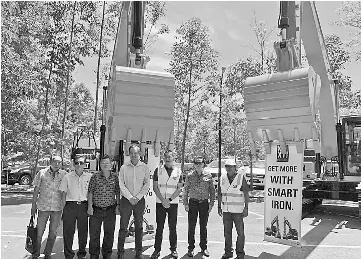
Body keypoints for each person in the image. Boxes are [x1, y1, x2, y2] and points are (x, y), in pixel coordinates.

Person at [31, 154, 67, 259]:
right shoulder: (42, 173)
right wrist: (33, 206)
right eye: (55, 161)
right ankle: (36, 253)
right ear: (50, 162)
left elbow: (66, 191)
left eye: (59, 162)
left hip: (57, 209)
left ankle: (47, 254)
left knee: (53, 233)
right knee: (39, 233)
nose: (57, 164)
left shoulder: (64, 175)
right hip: (43, 207)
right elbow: (36, 190)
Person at [117, 144, 150, 259]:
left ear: (139, 153)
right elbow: (121, 183)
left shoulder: (145, 167)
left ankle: (139, 252)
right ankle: (120, 252)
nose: (133, 155)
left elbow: (147, 184)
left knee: (139, 227)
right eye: (131, 153)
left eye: (135, 153)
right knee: (123, 227)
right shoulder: (123, 167)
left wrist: (138, 197)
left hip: (139, 201)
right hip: (126, 201)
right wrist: (130, 197)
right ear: (129, 154)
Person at [150, 150, 183, 259]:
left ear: (174, 158)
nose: (168, 159)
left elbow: (179, 189)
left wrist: (168, 200)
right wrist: (163, 200)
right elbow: (155, 187)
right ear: (163, 158)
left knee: (172, 227)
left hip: (173, 203)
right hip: (160, 203)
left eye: (170, 157)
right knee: (159, 227)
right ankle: (157, 250)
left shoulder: (178, 171)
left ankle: (173, 249)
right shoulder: (158, 170)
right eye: (166, 157)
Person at [59, 151, 92, 259]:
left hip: (84, 206)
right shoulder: (67, 177)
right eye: (76, 163)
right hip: (70, 206)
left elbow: (92, 193)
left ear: (84, 164)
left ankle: (81, 254)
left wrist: (90, 207)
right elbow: (63, 194)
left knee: (83, 232)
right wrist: (63, 210)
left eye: (81, 163)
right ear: (73, 164)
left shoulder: (90, 177)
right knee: (68, 232)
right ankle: (68, 254)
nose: (79, 165)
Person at [88, 154, 121, 259]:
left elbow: (117, 192)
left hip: (110, 210)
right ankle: (94, 255)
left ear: (111, 164)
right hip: (96, 210)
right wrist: (89, 207)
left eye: (107, 163)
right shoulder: (95, 176)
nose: (105, 165)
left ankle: (107, 254)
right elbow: (90, 192)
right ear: (100, 165)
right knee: (94, 235)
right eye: (103, 163)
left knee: (109, 234)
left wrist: (118, 205)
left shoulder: (115, 176)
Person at [183, 156, 215, 257]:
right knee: (191, 226)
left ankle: (204, 247)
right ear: (194, 165)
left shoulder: (208, 175)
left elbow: (212, 191)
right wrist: (185, 203)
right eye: (196, 163)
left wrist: (211, 203)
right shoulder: (189, 176)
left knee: (203, 226)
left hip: (204, 203)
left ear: (203, 164)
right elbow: (185, 190)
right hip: (193, 203)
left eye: (200, 163)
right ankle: (191, 248)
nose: (198, 165)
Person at [218, 160, 250, 259]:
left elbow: (246, 193)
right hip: (226, 210)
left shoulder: (240, 177)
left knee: (240, 233)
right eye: (227, 166)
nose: (228, 168)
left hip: (238, 211)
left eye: (231, 166)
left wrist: (246, 208)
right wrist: (219, 206)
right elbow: (219, 193)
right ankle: (228, 253)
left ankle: (240, 254)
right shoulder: (222, 177)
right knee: (227, 233)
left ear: (235, 167)